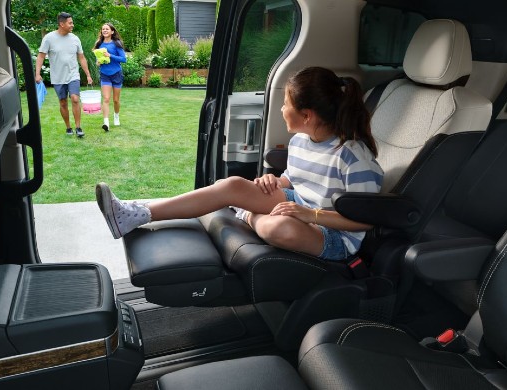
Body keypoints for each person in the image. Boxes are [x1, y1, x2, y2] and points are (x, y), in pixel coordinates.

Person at [96, 67, 384, 261]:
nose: (282, 109)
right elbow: (294, 180)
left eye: (286, 104)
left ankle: (248, 214)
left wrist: (310, 215)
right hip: (297, 205)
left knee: (280, 229)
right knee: (233, 184)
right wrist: (276, 182)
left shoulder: (352, 156)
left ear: (307, 115)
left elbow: (366, 219)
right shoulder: (299, 141)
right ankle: (136, 214)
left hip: (332, 233)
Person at [35, 12, 94, 138]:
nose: (72, 25)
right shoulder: (49, 38)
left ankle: (78, 127)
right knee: (62, 102)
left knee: (75, 98)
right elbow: (41, 56)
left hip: (73, 74)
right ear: (61, 24)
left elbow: (82, 58)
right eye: (70, 23)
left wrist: (88, 74)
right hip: (58, 77)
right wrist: (37, 73)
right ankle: (68, 127)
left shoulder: (75, 38)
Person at [93, 22, 127, 131]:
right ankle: (106, 123)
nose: (105, 31)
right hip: (105, 74)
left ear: (112, 31)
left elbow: (123, 59)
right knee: (106, 98)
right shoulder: (99, 44)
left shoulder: (116, 43)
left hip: (116, 73)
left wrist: (110, 55)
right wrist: (98, 62)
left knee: (116, 100)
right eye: (103, 29)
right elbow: (97, 58)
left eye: (107, 29)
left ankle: (116, 116)